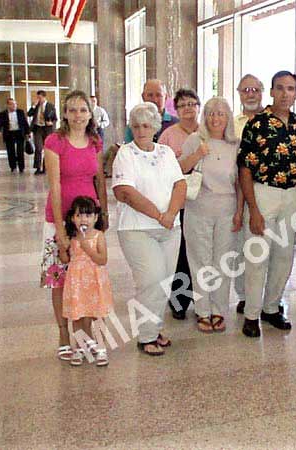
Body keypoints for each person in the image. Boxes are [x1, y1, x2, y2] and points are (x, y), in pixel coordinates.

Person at [112, 102, 186, 356]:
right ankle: (146, 337)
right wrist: (159, 215)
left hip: (170, 227)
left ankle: (153, 329)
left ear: (155, 127)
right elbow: (125, 192)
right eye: (136, 126)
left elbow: (180, 184)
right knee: (150, 279)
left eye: (146, 125)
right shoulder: (126, 153)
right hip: (136, 229)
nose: (141, 130)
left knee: (164, 282)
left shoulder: (165, 152)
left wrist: (171, 214)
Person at [237, 70, 296, 338]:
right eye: (280, 88)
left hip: (292, 195)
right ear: (272, 92)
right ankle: (252, 314)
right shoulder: (257, 124)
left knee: (284, 255)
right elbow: (244, 168)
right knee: (256, 255)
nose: (285, 93)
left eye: (290, 89)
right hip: (263, 193)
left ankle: (271, 307)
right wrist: (252, 209)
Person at [40, 90, 108, 361]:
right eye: (72, 110)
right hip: (60, 218)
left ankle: (86, 334)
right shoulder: (55, 142)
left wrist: (103, 213)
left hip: (88, 220)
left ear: (91, 114)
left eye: (83, 110)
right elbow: (54, 185)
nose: (78, 115)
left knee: (87, 276)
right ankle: (63, 334)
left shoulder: (94, 141)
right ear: (65, 113)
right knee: (60, 279)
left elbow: (99, 179)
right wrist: (59, 229)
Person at [180, 97, 242, 333]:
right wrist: (197, 154)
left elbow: (239, 181)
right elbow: (179, 169)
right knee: (200, 261)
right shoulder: (195, 140)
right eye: (211, 113)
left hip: (226, 210)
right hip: (198, 210)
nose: (216, 118)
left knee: (222, 263)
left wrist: (239, 212)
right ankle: (202, 310)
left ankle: (219, 310)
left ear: (228, 118)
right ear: (204, 117)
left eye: (221, 114)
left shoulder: (235, 144)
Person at [158, 88, 201, 320]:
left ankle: (201, 298)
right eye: (183, 104)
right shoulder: (168, 135)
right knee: (181, 252)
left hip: (204, 201)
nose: (188, 108)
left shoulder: (207, 131)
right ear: (176, 108)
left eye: (192, 104)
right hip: (179, 201)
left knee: (200, 252)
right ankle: (179, 300)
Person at [60, 196, 113, 367]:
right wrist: (62, 247)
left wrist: (86, 246)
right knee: (77, 315)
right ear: (72, 218)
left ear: (96, 218)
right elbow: (65, 259)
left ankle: (101, 347)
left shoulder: (98, 236)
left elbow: (102, 259)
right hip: (76, 282)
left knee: (96, 315)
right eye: (79, 215)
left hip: (94, 281)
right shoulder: (72, 237)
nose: (84, 219)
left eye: (88, 215)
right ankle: (80, 347)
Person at [233, 74, 265, 315]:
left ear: (262, 92)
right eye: (245, 90)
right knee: (241, 249)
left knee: (266, 249)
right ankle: (245, 296)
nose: (250, 94)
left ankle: (269, 299)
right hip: (237, 192)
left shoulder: (272, 121)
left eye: (254, 89)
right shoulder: (233, 124)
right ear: (239, 94)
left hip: (266, 192)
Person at [28, 90, 58, 174]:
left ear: (44, 97)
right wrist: (33, 106)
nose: (38, 99)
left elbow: (55, 118)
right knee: (38, 148)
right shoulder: (36, 106)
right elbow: (29, 114)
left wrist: (51, 123)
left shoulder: (50, 106)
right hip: (37, 129)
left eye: (40, 97)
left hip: (47, 129)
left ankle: (45, 167)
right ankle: (38, 167)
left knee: (47, 149)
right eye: (37, 97)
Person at [0, 97, 30, 173]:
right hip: (9, 133)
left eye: (15, 104)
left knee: (20, 151)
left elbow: (25, 123)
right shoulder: (3, 114)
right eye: (12, 104)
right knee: (10, 151)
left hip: (19, 133)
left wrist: (28, 132)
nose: (14, 105)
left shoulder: (20, 112)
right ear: (8, 105)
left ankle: (21, 167)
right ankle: (13, 167)